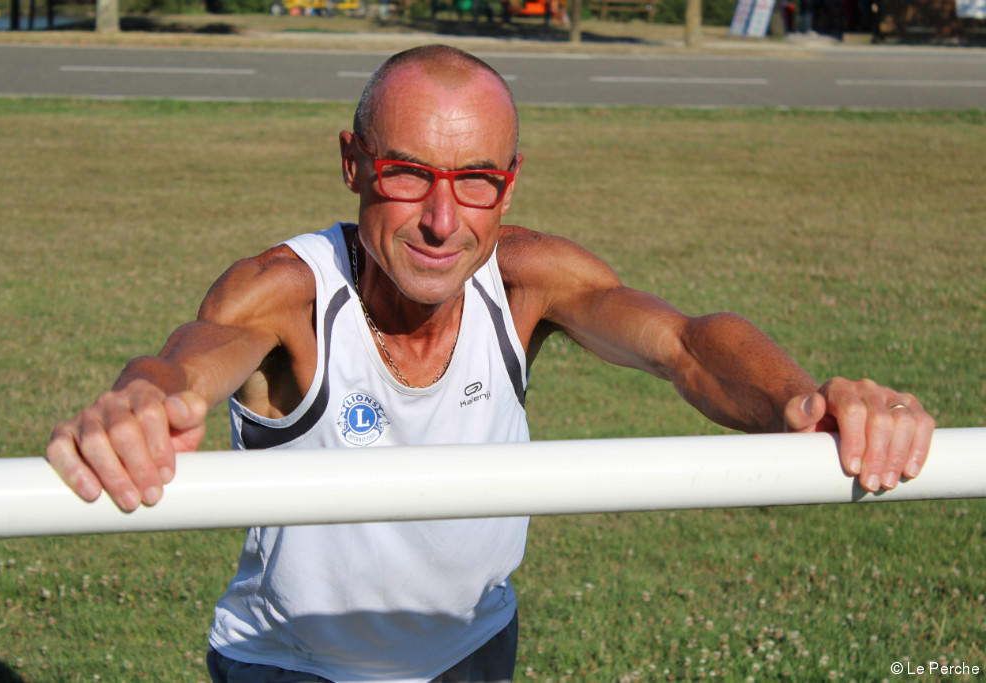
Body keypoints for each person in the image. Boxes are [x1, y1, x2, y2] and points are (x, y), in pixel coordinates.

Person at [46, 45, 935, 683]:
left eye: (475, 179)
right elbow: (187, 363)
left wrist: (806, 399)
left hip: (474, 648)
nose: (443, 219)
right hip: (293, 666)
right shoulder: (287, 291)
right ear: (353, 163)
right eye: (407, 173)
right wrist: (140, 400)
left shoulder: (525, 280)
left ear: (508, 185)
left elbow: (686, 345)